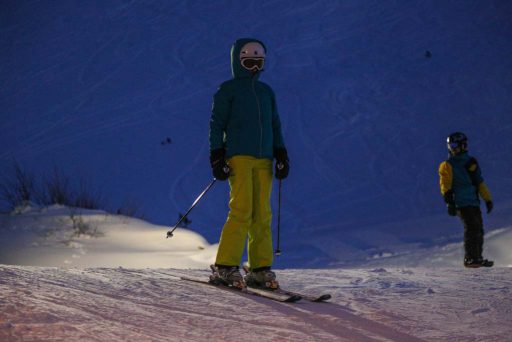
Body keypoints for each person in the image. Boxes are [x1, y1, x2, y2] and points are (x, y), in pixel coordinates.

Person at [208, 38, 289, 288]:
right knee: (241, 210)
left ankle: (259, 268)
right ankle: (225, 266)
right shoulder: (228, 90)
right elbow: (217, 125)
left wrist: (281, 154)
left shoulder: (266, 92)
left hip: (264, 158)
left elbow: (274, 124)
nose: (254, 67)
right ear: (239, 62)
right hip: (239, 157)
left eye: (258, 62)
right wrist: (217, 156)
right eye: (249, 62)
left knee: (262, 214)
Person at [438, 132, 494, 268]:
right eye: (450, 145)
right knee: (471, 228)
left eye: (455, 145)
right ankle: (470, 258)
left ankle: (477, 258)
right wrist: (450, 202)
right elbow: (445, 185)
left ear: (463, 145)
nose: (453, 148)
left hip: (473, 201)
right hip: (461, 202)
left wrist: (487, 199)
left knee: (479, 229)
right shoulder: (447, 165)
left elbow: (479, 182)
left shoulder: (471, 162)